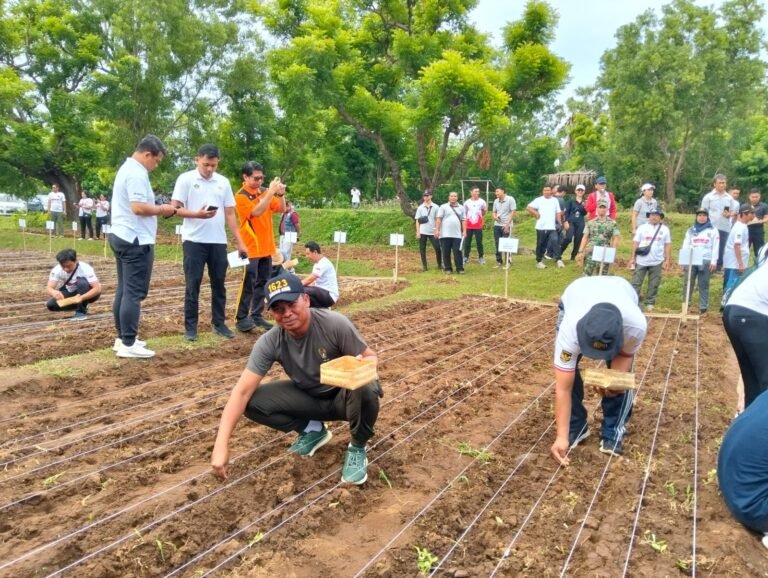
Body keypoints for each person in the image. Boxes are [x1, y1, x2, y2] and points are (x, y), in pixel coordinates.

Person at [210, 273, 382, 485]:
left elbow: (371, 357)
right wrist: (221, 444)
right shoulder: (270, 341)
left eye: (292, 304)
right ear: (271, 313)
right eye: (278, 309)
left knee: (367, 385)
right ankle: (313, 430)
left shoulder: (334, 324)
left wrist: (360, 366)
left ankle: (357, 446)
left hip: (345, 398)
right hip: (309, 398)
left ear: (306, 300)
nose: (287, 314)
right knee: (252, 401)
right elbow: (241, 392)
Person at [110, 135, 209, 359]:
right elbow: (137, 207)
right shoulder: (136, 173)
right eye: (156, 161)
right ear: (148, 154)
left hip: (122, 234)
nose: (155, 166)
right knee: (133, 292)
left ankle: (123, 338)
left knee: (124, 289)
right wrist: (162, 209)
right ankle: (128, 342)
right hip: (135, 239)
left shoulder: (127, 169)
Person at [550, 276, 648, 464]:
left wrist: (612, 383)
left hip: (622, 292)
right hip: (576, 291)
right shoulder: (569, 331)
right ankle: (575, 426)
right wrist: (561, 437)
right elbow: (563, 388)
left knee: (620, 381)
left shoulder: (635, 326)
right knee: (568, 375)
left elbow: (625, 357)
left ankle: (613, 432)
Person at [172, 144, 248, 341]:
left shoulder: (222, 182)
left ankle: (219, 323)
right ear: (197, 159)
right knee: (193, 283)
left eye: (213, 165)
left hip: (217, 241)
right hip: (194, 240)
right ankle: (191, 328)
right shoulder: (185, 179)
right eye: (206, 164)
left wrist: (240, 242)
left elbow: (230, 213)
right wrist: (197, 214)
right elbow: (174, 209)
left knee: (219, 283)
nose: (209, 169)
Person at [233, 161, 286, 333]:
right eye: (256, 178)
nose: (260, 182)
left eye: (262, 178)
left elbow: (281, 209)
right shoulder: (241, 196)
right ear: (245, 177)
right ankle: (241, 317)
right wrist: (270, 192)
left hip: (266, 247)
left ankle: (256, 314)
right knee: (248, 282)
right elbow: (256, 212)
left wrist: (280, 194)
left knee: (263, 282)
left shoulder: (264, 192)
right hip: (251, 247)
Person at [629, 208, 672, 312]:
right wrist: (632, 258)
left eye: (656, 215)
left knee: (654, 283)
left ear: (660, 217)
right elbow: (636, 243)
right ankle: (634, 302)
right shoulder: (642, 228)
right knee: (636, 282)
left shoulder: (665, 229)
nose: (654, 217)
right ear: (649, 216)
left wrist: (667, 260)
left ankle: (650, 303)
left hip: (657, 260)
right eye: (652, 214)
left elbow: (667, 245)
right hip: (641, 260)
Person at [680, 208, 719, 314]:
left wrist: (713, 261)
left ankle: (703, 307)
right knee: (688, 283)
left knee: (704, 284)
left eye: (704, 215)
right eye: (699, 215)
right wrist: (683, 261)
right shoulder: (691, 230)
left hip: (705, 260)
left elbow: (715, 247)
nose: (702, 218)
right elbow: (685, 245)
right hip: (691, 259)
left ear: (707, 217)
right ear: (696, 217)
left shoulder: (712, 230)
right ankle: (685, 305)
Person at [46, 248, 102, 320]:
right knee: (51, 305)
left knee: (82, 282)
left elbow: (97, 288)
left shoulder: (85, 268)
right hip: (72, 291)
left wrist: (81, 298)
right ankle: (79, 305)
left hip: (90, 292)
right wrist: (54, 292)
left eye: (69, 266)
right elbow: (49, 287)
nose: (66, 269)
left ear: (75, 261)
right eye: (63, 266)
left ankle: (81, 312)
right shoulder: (57, 270)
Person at [701, 174, 738, 272]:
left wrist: (729, 213)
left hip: (724, 226)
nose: (722, 185)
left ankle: (718, 267)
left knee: (722, 247)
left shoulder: (729, 198)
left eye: (724, 183)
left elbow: (734, 212)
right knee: (710, 246)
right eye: (720, 183)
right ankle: (707, 265)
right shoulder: (708, 197)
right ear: (714, 184)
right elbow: (703, 212)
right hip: (710, 226)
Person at [576, 199, 620, 276]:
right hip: (590, 252)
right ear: (597, 209)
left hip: (604, 252)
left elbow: (615, 238)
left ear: (607, 209)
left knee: (602, 276)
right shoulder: (590, 222)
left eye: (604, 207)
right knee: (586, 275)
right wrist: (580, 251)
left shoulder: (612, 223)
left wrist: (613, 252)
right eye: (600, 207)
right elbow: (585, 237)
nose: (602, 209)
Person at [527, 185, 564, 269]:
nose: (547, 192)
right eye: (545, 190)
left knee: (555, 241)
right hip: (541, 226)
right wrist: (535, 213)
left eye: (548, 190)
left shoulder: (555, 200)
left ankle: (558, 259)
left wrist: (559, 223)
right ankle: (539, 261)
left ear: (551, 191)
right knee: (541, 244)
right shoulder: (538, 200)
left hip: (552, 226)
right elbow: (528, 207)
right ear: (543, 191)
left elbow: (558, 212)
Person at [723, 204, 753, 293]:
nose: (753, 215)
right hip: (734, 263)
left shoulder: (743, 226)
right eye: (752, 213)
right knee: (732, 284)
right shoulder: (739, 227)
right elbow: (737, 245)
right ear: (744, 214)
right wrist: (740, 263)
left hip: (737, 261)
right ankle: (726, 302)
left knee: (734, 283)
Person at [434, 191, 466, 274]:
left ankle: (460, 268)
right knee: (446, 252)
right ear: (449, 197)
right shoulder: (443, 207)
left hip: (457, 234)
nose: (453, 198)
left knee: (458, 251)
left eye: (455, 196)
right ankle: (448, 268)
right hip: (445, 234)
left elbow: (463, 220)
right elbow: (439, 219)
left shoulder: (461, 207)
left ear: (457, 198)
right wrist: (437, 230)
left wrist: (464, 230)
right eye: (451, 196)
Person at [302, 241, 339, 308]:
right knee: (304, 291)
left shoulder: (323, 263)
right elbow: (312, 282)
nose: (307, 256)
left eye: (308, 254)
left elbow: (310, 279)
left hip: (329, 295)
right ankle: (319, 311)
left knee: (303, 290)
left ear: (315, 252)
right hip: (321, 292)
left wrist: (297, 285)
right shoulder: (317, 264)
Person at [414, 190, 442, 271]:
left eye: (427, 195)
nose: (426, 197)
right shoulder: (420, 207)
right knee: (422, 249)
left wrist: (437, 230)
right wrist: (418, 232)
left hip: (432, 231)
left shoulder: (436, 207)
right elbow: (417, 220)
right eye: (424, 195)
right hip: (423, 231)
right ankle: (424, 266)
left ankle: (439, 264)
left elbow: (438, 219)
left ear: (431, 196)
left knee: (437, 248)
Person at [492, 186, 516, 268]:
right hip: (497, 225)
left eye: (497, 191)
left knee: (507, 243)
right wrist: (495, 217)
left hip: (506, 225)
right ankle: (499, 261)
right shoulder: (496, 201)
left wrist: (507, 224)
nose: (496, 193)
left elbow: (513, 212)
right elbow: (494, 212)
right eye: (496, 192)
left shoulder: (510, 199)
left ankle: (508, 261)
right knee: (497, 243)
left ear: (503, 191)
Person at [561, 184, 586, 261]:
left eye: (582, 190)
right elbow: (566, 212)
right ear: (575, 191)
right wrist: (565, 222)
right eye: (579, 190)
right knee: (568, 238)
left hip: (580, 222)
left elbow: (585, 213)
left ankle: (573, 256)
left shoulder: (585, 202)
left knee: (578, 240)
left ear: (584, 192)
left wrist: (583, 206)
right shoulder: (570, 201)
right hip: (571, 222)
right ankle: (559, 253)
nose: (580, 191)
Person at [463, 187, 487, 265]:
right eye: (475, 191)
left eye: (478, 191)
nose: (477, 193)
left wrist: (481, 221)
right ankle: (466, 257)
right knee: (467, 242)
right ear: (471, 192)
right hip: (468, 226)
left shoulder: (482, 202)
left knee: (479, 242)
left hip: (478, 226)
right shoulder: (467, 202)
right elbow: (464, 214)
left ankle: (481, 257)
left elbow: (483, 212)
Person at [747, 188, 768, 258]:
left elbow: (766, 218)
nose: (754, 199)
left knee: (759, 251)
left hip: (758, 230)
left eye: (756, 197)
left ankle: (760, 266)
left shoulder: (764, 206)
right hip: (747, 230)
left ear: (759, 196)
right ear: (749, 197)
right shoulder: (745, 206)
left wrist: (759, 221)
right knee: (745, 250)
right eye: (753, 197)